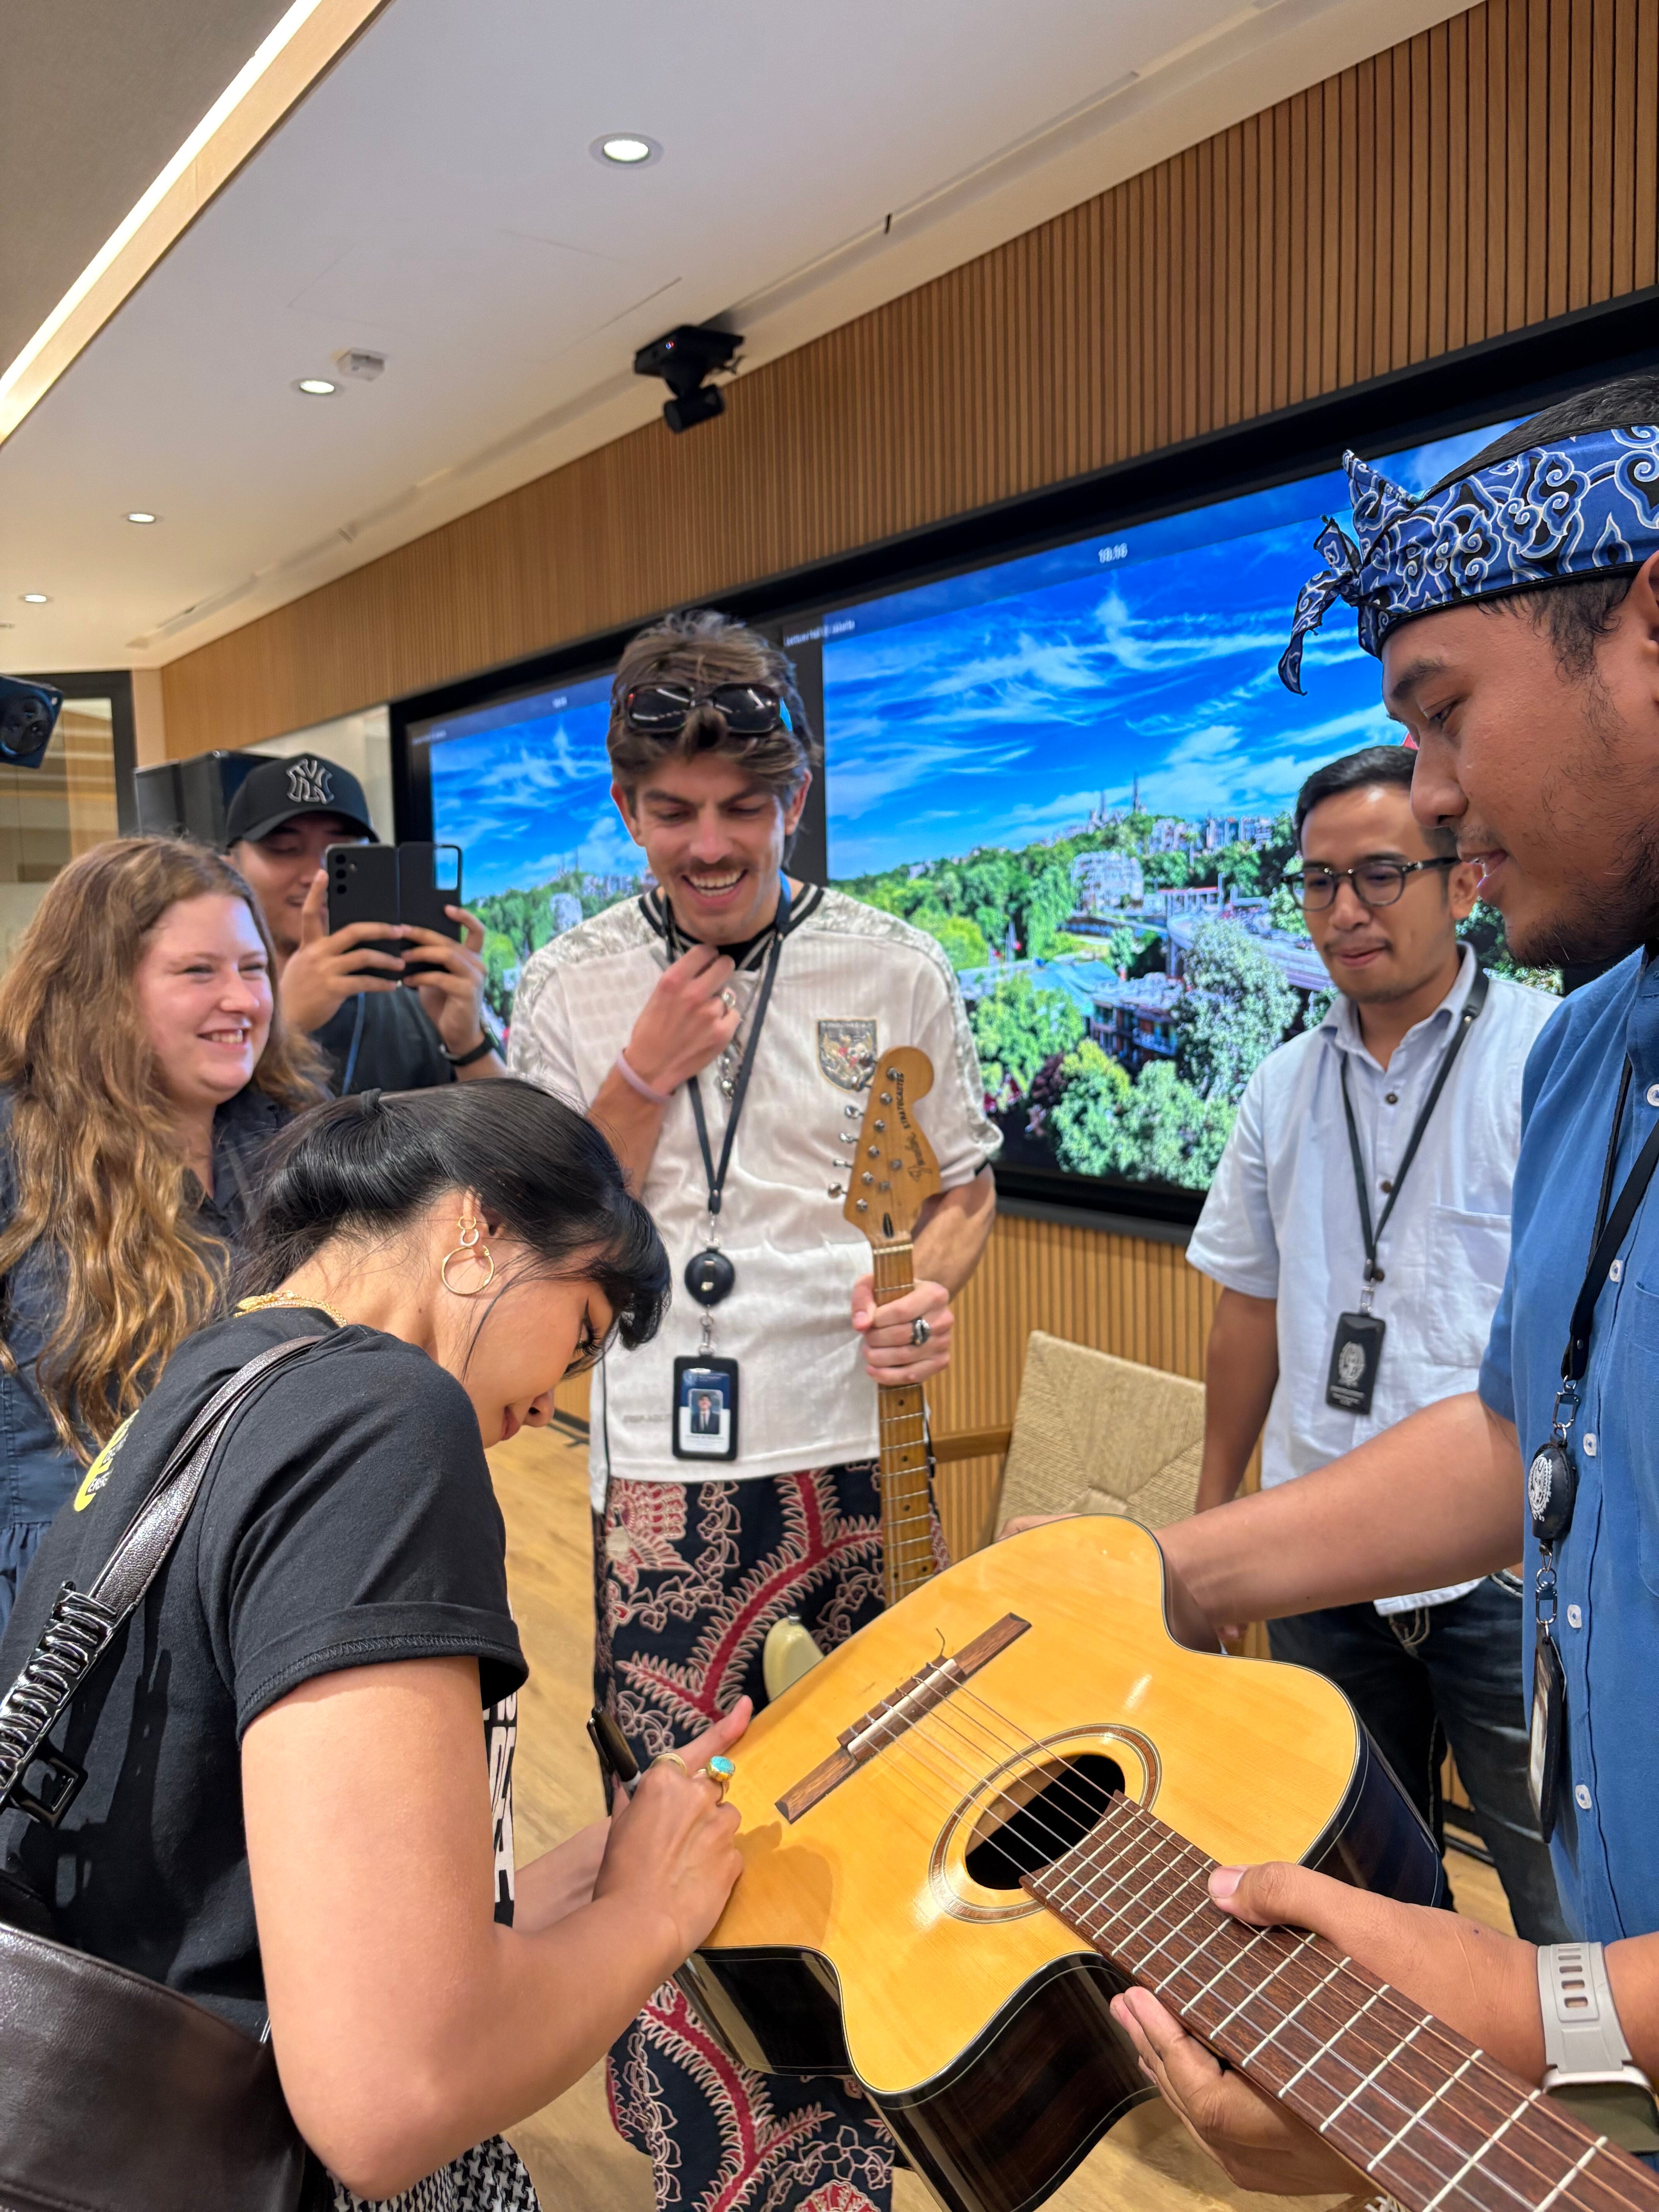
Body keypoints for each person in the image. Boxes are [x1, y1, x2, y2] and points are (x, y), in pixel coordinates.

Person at [1091, 376, 1659, 2190]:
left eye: (1440, 713)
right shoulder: (1597, 1051)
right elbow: (1529, 1434)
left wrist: (1525, 2009)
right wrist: (1154, 1573)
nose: (1426, 798)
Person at [0, 1080, 746, 2208]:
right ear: (477, 1227)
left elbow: (264, 1904)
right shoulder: (388, 1415)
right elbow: (390, 2093)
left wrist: (616, 1863)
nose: (551, 1401)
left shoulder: (217, 1379)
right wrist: (654, 1917)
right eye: (579, 1335)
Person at [508, 608, 1000, 2212]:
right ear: (628, 808)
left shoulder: (895, 965)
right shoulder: (576, 982)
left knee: (861, 1796)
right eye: (672, 811)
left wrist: (932, 1286)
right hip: (658, 1482)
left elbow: (967, 1186)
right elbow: (529, 1235)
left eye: (743, 805)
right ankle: (711, 2151)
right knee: (680, 1824)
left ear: (794, 795)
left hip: (851, 1466)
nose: (710, 844)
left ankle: (869, 2122)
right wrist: (641, 1076)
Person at [1187, 742, 1565, 1940]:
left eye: (1382, 873)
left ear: (1460, 880)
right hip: (1323, 1566)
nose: (1344, 911)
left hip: (1509, 1571)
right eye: (1318, 882)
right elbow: (1249, 1306)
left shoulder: (1547, 1054)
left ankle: (1611, 2135)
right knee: (1365, 1898)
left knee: (1566, 1897)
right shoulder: (1281, 1085)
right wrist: (1210, 1522)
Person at [0, 837, 323, 1632]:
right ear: (100, 990)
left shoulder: (292, 1136)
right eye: (198, 972)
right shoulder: (20, 1145)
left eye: (253, 970)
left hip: (259, 1574)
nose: (243, 1000)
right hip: (65, 1606)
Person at [225, 752, 506, 1093]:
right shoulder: (211, 1009)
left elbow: (518, 1143)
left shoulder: (417, 1011)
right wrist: (284, 1028)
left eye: (341, 856)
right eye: (285, 848)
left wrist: (468, 1045)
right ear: (231, 868)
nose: (318, 875)